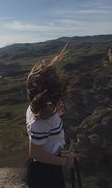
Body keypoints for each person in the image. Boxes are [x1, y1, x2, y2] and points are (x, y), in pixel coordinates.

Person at [26, 47, 75, 188]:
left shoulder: (35, 110)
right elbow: (36, 154)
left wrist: (56, 115)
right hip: (45, 171)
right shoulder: (41, 121)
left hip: (45, 167)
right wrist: (66, 161)